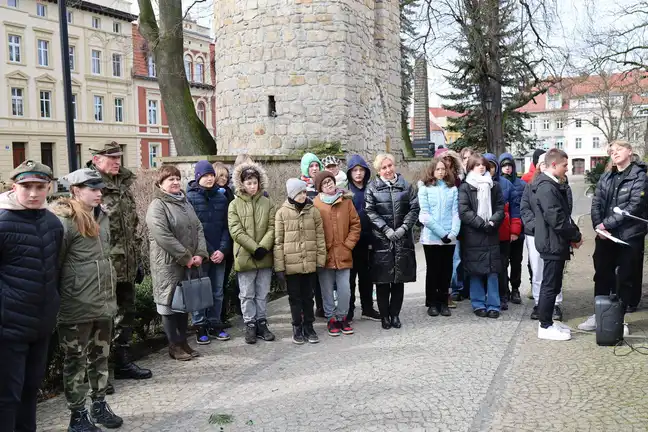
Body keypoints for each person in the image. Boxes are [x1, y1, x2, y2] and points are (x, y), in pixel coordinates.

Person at [53, 169, 123, 431]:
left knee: (101, 358)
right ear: (75, 190)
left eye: (99, 188)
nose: (98, 192)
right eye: (92, 188)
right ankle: (78, 414)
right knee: (75, 361)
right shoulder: (65, 221)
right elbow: (55, 264)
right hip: (76, 306)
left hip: (103, 301)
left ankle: (99, 405)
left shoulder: (102, 215)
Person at [0, 161, 63, 431]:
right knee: (6, 397)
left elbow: (55, 271)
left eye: (40, 187)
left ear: (48, 187)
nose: (34, 193)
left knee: (30, 390)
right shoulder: (2, 223)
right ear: (14, 187)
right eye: (26, 187)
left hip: (41, 326)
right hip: (8, 328)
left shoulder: (52, 222)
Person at [87, 142, 152, 382]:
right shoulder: (90, 187)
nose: (117, 161)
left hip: (127, 262)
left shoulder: (124, 185)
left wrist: (136, 260)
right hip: (105, 265)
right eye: (111, 157)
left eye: (119, 157)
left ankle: (122, 363)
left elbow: (132, 225)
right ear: (96, 160)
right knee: (102, 319)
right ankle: (99, 374)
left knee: (126, 314)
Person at [580, 141, 647, 331]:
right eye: (611, 151)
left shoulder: (639, 177)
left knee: (625, 277)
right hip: (605, 236)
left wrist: (606, 224)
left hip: (628, 235)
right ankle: (599, 314)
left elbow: (634, 206)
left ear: (629, 151)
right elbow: (596, 202)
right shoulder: (606, 176)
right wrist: (598, 227)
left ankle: (620, 318)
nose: (614, 153)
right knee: (601, 275)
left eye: (618, 150)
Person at [146, 165, 209, 361]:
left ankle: (183, 342)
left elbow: (197, 227)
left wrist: (200, 253)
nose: (175, 182)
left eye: (176, 178)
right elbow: (162, 235)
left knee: (183, 303)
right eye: (169, 179)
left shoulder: (184, 201)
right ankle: (174, 345)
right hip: (168, 264)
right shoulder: (157, 205)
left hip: (187, 262)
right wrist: (185, 256)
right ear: (160, 184)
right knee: (169, 304)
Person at [365, 154, 420, 329]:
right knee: (383, 281)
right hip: (382, 240)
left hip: (402, 239)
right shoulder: (372, 188)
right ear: (378, 170)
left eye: (390, 166)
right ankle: (384, 316)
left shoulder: (406, 186)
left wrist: (404, 228)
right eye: (384, 167)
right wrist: (386, 229)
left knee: (398, 281)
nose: (388, 170)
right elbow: (370, 211)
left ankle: (395, 314)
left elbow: (414, 208)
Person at [534, 149, 582, 341]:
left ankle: (549, 322)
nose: (567, 169)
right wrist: (575, 236)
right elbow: (557, 218)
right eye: (564, 165)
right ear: (554, 165)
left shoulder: (552, 185)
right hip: (551, 242)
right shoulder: (546, 187)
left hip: (556, 242)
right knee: (549, 284)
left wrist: (573, 234)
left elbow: (563, 215)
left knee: (554, 284)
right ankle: (544, 325)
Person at [229, 161, 277, 344]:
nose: (252, 186)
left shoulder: (268, 203)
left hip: (264, 255)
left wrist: (263, 247)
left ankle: (262, 322)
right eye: (248, 182)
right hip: (245, 255)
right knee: (247, 293)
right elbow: (235, 230)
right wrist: (254, 248)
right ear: (242, 184)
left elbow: (272, 226)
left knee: (262, 292)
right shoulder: (234, 205)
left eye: (254, 182)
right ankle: (250, 324)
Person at [275, 179, 326, 344]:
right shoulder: (282, 213)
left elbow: (320, 237)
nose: (303, 195)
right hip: (291, 265)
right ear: (291, 194)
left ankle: (309, 326)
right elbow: (278, 242)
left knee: (308, 297)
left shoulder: (313, 211)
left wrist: (320, 260)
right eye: (299, 193)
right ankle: (297, 326)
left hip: (310, 263)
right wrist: (280, 268)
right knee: (294, 298)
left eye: (304, 192)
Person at [186, 161, 232, 345]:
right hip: (201, 253)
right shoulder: (189, 198)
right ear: (198, 177)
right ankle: (200, 326)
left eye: (211, 175)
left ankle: (215, 323)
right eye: (205, 175)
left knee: (217, 291)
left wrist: (222, 249)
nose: (209, 178)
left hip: (219, 254)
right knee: (199, 292)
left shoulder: (221, 198)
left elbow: (226, 227)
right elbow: (193, 229)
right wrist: (210, 250)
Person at [313, 171, 361, 336]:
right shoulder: (316, 204)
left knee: (344, 289)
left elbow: (355, 224)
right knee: (326, 289)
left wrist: (348, 245)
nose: (328, 184)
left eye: (330, 181)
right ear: (320, 187)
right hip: (325, 254)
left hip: (343, 252)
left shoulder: (346, 201)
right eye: (324, 183)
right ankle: (331, 318)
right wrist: (320, 249)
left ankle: (342, 317)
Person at [459, 154, 505, 318]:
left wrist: (492, 222)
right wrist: (480, 223)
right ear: (471, 167)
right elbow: (464, 211)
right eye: (477, 165)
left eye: (483, 164)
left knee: (492, 270)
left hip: (491, 233)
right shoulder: (465, 187)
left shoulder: (494, 186)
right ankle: (478, 303)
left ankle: (494, 304)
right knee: (476, 270)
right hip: (474, 234)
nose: (481, 167)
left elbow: (500, 207)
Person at [418, 157, 460, 317]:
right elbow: (425, 215)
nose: (441, 172)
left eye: (443, 169)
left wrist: (453, 233)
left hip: (450, 237)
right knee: (433, 270)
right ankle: (432, 302)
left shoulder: (452, 189)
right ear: (432, 171)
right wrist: (441, 233)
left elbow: (456, 212)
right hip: (432, 237)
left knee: (446, 270)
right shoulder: (425, 189)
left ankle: (444, 301)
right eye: (438, 169)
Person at [484, 153, 521, 311]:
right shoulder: (476, 183)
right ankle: (491, 296)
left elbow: (515, 209)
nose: (490, 170)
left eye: (492, 167)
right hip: (485, 233)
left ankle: (503, 295)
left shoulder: (506, 184)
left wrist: (515, 230)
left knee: (502, 265)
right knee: (488, 266)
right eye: (487, 167)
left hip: (503, 232)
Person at [346, 155, 381, 322]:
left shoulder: (371, 188)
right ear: (350, 172)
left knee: (367, 277)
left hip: (369, 239)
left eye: (361, 170)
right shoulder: (346, 191)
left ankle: (367, 308)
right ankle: (349, 309)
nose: (358, 173)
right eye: (355, 170)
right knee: (350, 278)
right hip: (351, 241)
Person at [499, 152, 527, 305]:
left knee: (516, 261)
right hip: (502, 230)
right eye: (504, 166)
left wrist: (518, 228)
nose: (507, 169)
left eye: (510, 165)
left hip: (517, 230)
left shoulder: (521, 184)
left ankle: (515, 288)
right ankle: (504, 290)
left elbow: (522, 208)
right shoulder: (497, 184)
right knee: (503, 262)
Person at [213, 162, 237, 325]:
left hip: (228, 244)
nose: (224, 178)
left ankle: (222, 314)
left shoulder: (229, 193)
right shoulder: (215, 193)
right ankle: (215, 317)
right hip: (215, 245)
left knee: (223, 283)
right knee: (215, 284)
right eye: (220, 175)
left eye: (226, 176)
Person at [451, 147, 475, 301]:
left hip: (472, 225)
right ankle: (458, 288)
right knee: (457, 258)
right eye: (465, 158)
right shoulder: (457, 179)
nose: (467, 161)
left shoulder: (474, 176)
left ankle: (469, 287)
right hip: (458, 224)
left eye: (470, 158)